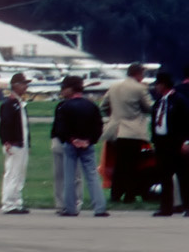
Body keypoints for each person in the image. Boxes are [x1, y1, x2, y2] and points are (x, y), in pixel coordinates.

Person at [53, 74, 107, 217]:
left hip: (71, 145)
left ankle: (70, 208)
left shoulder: (65, 107)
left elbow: (60, 129)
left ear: (71, 89)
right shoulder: (91, 106)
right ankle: (100, 207)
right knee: (92, 176)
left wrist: (71, 140)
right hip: (87, 145)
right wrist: (90, 140)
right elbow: (98, 126)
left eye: (64, 88)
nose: (62, 91)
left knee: (70, 176)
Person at [101, 63, 154, 203]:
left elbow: (104, 106)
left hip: (116, 130)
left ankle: (115, 194)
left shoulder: (114, 87)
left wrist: (114, 116)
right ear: (138, 74)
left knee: (119, 164)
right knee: (132, 165)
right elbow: (149, 107)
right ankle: (130, 195)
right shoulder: (140, 88)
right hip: (133, 131)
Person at [150, 72, 189, 217]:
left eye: (157, 84)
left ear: (163, 84)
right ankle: (166, 207)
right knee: (165, 176)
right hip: (162, 143)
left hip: (176, 142)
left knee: (183, 176)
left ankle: (187, 206)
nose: (156, 87)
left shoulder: (179, 100)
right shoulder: (159, 102)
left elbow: (186, 122)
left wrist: (186, 141)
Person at [0, 72, 31, 214]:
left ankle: (17, 201)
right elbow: (5, 124)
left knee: (19, 174)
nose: (25, 87)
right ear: (15, 85)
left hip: (22, 144)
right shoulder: (9, 104)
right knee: (12, 173)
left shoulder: (20, 103)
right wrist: (6, 141)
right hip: (14, 144)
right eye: (23, 84)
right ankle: (8, 203)